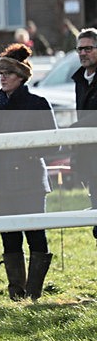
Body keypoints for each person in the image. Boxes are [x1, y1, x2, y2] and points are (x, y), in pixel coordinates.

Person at [0, 44, 57, 301]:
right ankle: (16, 292)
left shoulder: (37, 103)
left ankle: (34, 293)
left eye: (7, 72)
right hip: (2, 181)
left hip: (29, 181)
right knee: (9, 238)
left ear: (21, 76)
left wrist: (22, 155)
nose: (2, 77)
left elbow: (53, 144)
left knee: (36, 235)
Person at [70, 28, 97, 241]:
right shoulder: (80, 80)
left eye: (88, 48)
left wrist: (74, 129)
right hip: (91, 160)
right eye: (80, 49)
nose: (83, 53)